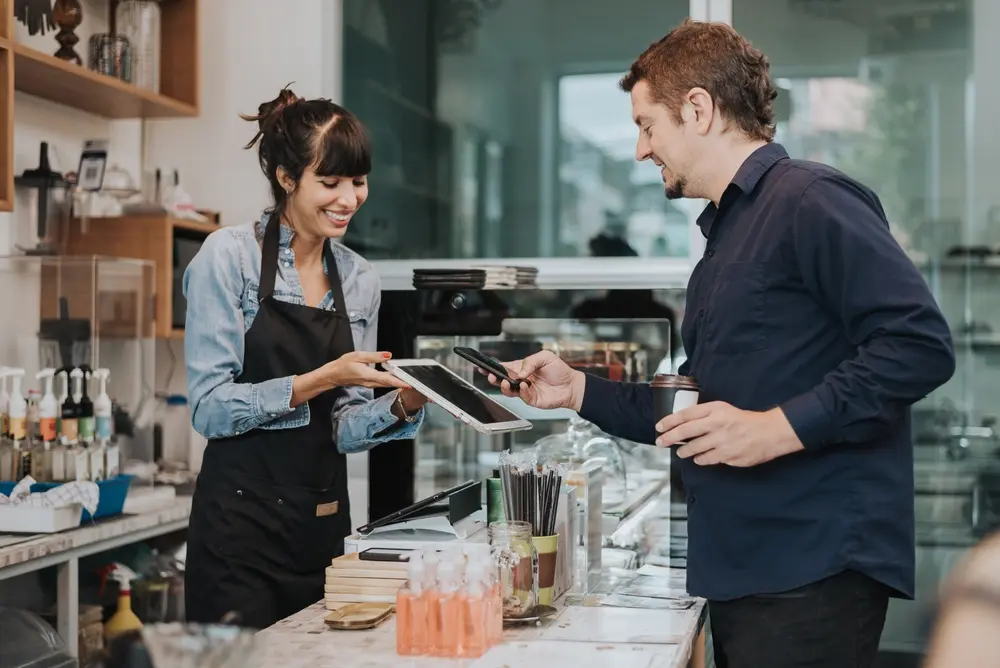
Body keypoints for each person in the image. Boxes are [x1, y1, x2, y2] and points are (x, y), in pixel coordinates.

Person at [488, 20, 955, 668]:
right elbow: (700, 413)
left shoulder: (810, 200)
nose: (640, 150)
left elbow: (920, 343)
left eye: (648, 125)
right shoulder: (728, 237)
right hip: (746, 569)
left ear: (699, 109)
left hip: (810, 569)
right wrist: (578, 390)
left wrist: (779, 428)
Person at [182, 87, 428, 629]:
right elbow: (208, 409)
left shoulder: (360, 279)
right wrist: (316, 380)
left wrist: (407, 402)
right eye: (330, 182)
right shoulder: (230, 258)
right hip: (236, 540)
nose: (349, 199)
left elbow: (344, 429)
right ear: (288, 179)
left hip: (320, 530)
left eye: (358, 182)